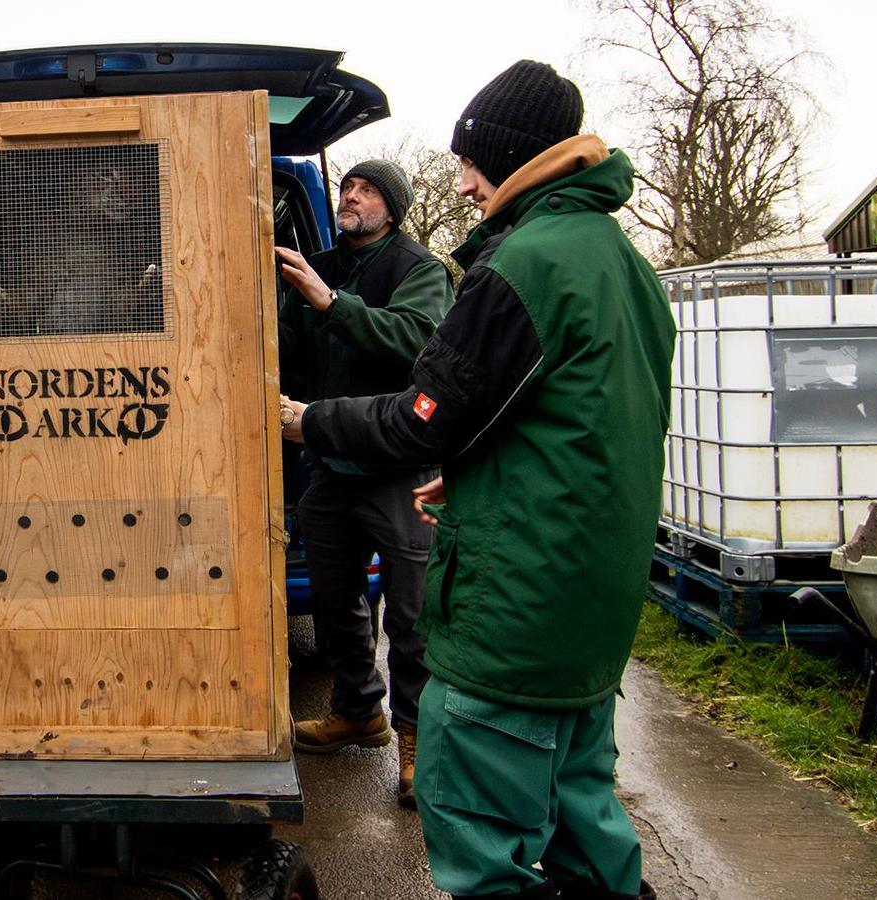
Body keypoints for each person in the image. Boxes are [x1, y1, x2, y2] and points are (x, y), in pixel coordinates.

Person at [281, 61, 672, 900]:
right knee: (583, 821)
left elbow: (425, 416)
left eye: (470, 162)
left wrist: (305, 420)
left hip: (518, 610)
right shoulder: (622, 261)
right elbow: (587, 421)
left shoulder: (519, 265)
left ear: (509, 156)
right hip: (594, 595)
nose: (461, 183)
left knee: (477, 826)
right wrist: (478, 476)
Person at [274, 159, 452, 807]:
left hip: (400, 465)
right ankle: (357, 710)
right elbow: (287, 347)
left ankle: (418, 740)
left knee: (411, 614)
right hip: (330, 463)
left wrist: (330, 301)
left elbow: (416, 343)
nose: (352, 195)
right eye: (347, 186)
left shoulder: (419, 270)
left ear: (392, 207)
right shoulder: (317, 263)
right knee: (333, 597)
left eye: (368, 190)